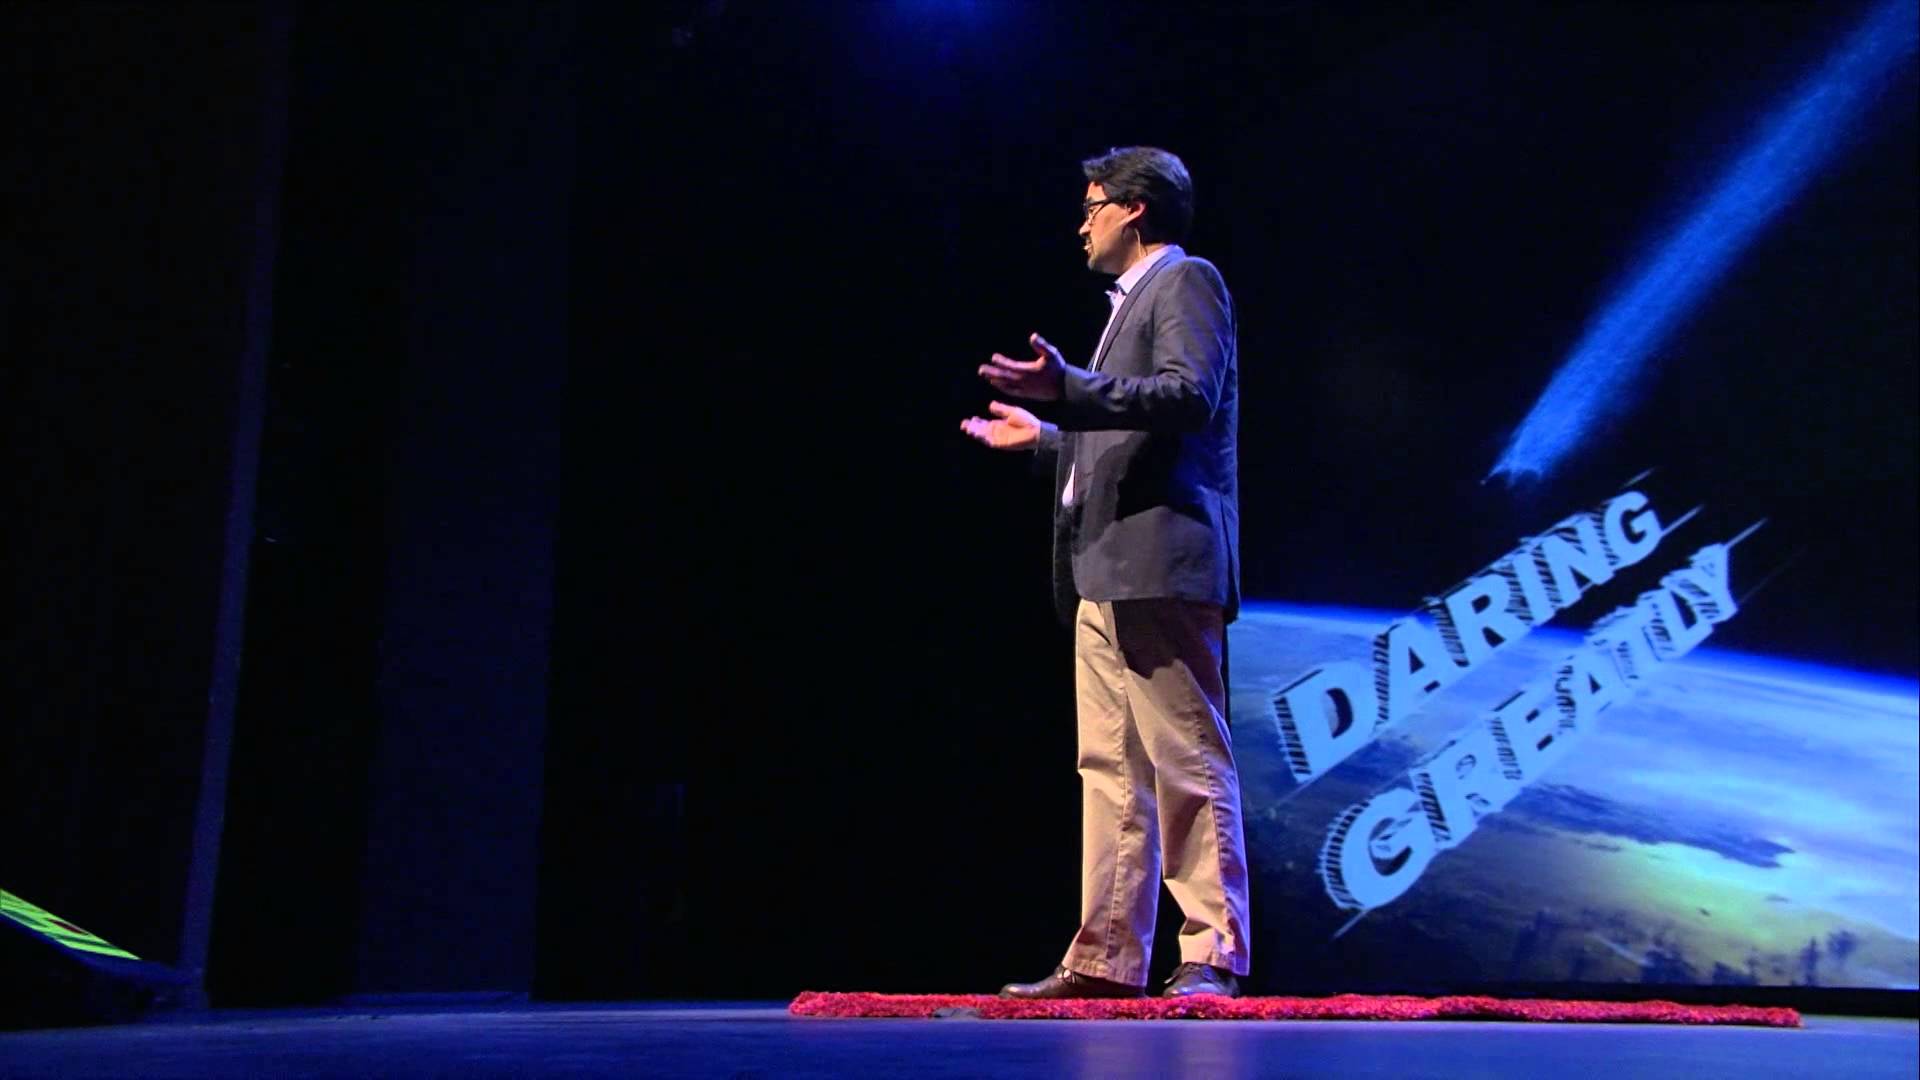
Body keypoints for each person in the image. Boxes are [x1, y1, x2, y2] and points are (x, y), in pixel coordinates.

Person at [959, 146, 1249, 999]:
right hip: (1106, 567)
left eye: (1092, 206)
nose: (1081, 225)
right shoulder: (1127, 305)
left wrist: (1070, 389)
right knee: (1111, 769)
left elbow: (1187, 396)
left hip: (1161, 561)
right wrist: (1050, 439)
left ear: (1135, 208)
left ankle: (1212, 951)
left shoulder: (1187, 280)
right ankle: (1106, 958)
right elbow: (1125, 429)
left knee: (1186, 754)